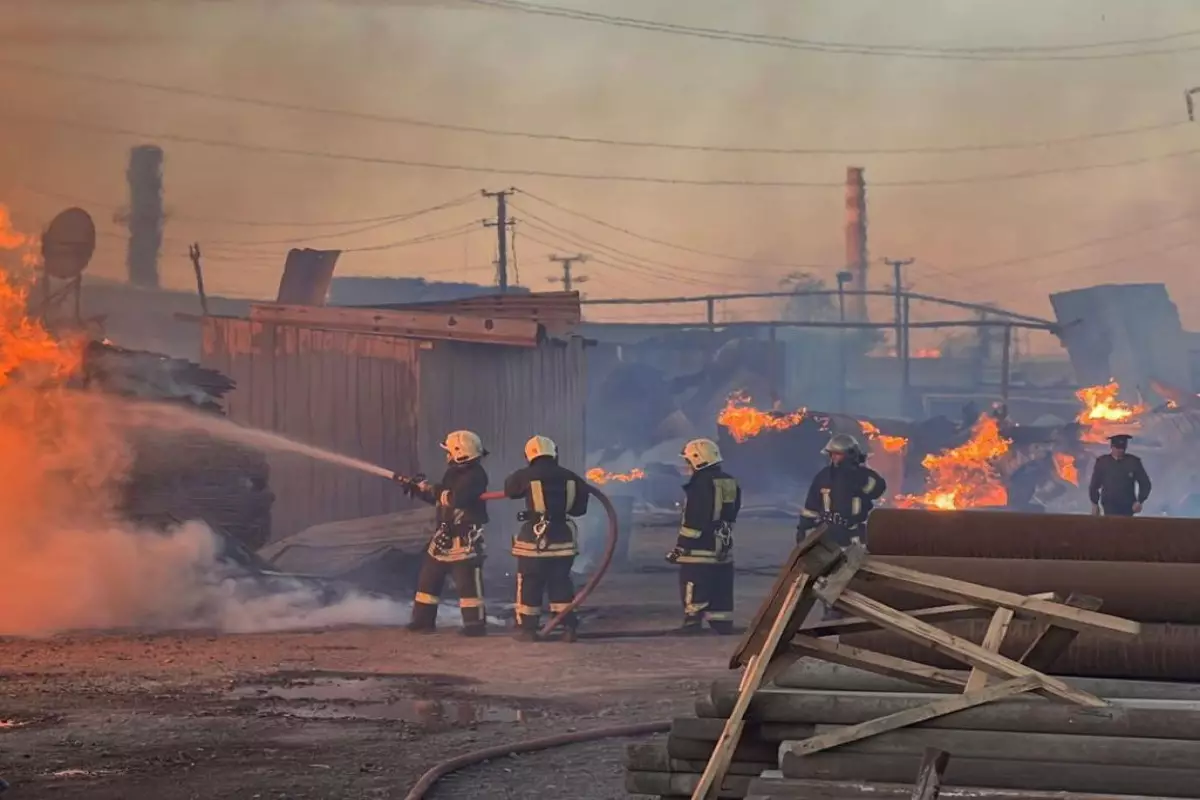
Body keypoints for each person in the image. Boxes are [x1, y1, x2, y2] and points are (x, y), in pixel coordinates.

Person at [399, 430, 490, 636]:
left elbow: (457, 498)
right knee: (428, 580)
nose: (447, 455)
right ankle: (423, 621)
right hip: (444, 537)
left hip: (465, 539)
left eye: (449, 451)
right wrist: (418, 490)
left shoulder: (476, 476)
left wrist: (433, 489)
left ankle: (474, 626)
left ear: (459, 452)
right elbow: (440, 499)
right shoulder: (453, 474)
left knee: (467, 585)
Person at [503, 435, 590, 643]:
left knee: (531, 582)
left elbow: (510, 490)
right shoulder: (572, 477)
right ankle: (568, 627)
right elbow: (580, 509)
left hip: (534, 539)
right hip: (563, 539)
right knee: (561, 582)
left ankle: (528, 629)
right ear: (554, 453)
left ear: (529, 455)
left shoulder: (525, 476)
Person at [666, 438, 741, 635]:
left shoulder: (699, 484)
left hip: (699, 547)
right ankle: (722, 621)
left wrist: (681, 546)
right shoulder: (730, 481)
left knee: (693, 579)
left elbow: (694, 519)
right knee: (721, 583)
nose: (687, 466)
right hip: (723, 543)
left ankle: (692, 621)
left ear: (698, 460)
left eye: (688, 462)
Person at [796, 434, 888, 548]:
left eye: (838, 454)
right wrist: (803, 528)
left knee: (855, 564)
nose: (833, 457)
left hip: (854, 537)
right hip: (828, 536)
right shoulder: (824, 476)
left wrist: (860, 477)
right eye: (832, 453)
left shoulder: (863, 475)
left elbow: (878, 489)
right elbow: (811, 506)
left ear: (850, 455)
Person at [1088, 434, 1151, 517]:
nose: (1119, 451)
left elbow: (1145, 483)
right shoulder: (1102, 462)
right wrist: (1094, 504)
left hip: (1128, 506)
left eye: (1122, 448)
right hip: (1109, 504)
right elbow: (1094, 485)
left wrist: (1140, 501)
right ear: (1112, 447)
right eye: (1117, 448)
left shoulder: (1133, 462)